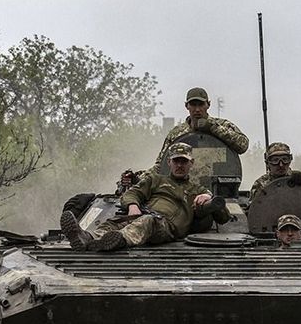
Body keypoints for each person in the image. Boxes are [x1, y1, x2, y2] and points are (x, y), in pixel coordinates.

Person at [62, 143, 224, 251]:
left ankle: (119, 240)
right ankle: (87, 238)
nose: (180, 165)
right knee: (116, 222)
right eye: (176, 161)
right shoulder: (156, 180)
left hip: (165, 227)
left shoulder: (197, 190)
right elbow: (133, 192)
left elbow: (224, 217)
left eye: (184, 161)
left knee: (147, 221)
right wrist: (133, 205)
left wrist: (208, 196)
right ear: (169, 162)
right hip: (143, 216)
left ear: (191, 163)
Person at [152, 87, 249, 169]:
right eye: (193, 105)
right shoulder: (177, 134)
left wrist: (213, 128)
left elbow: (243, 145)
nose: (197, 109)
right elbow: (161, 164)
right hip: (182, 188)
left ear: (208, 105)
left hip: (219, 187)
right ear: (187, 106)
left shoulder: (223, 125)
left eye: (201, 104)